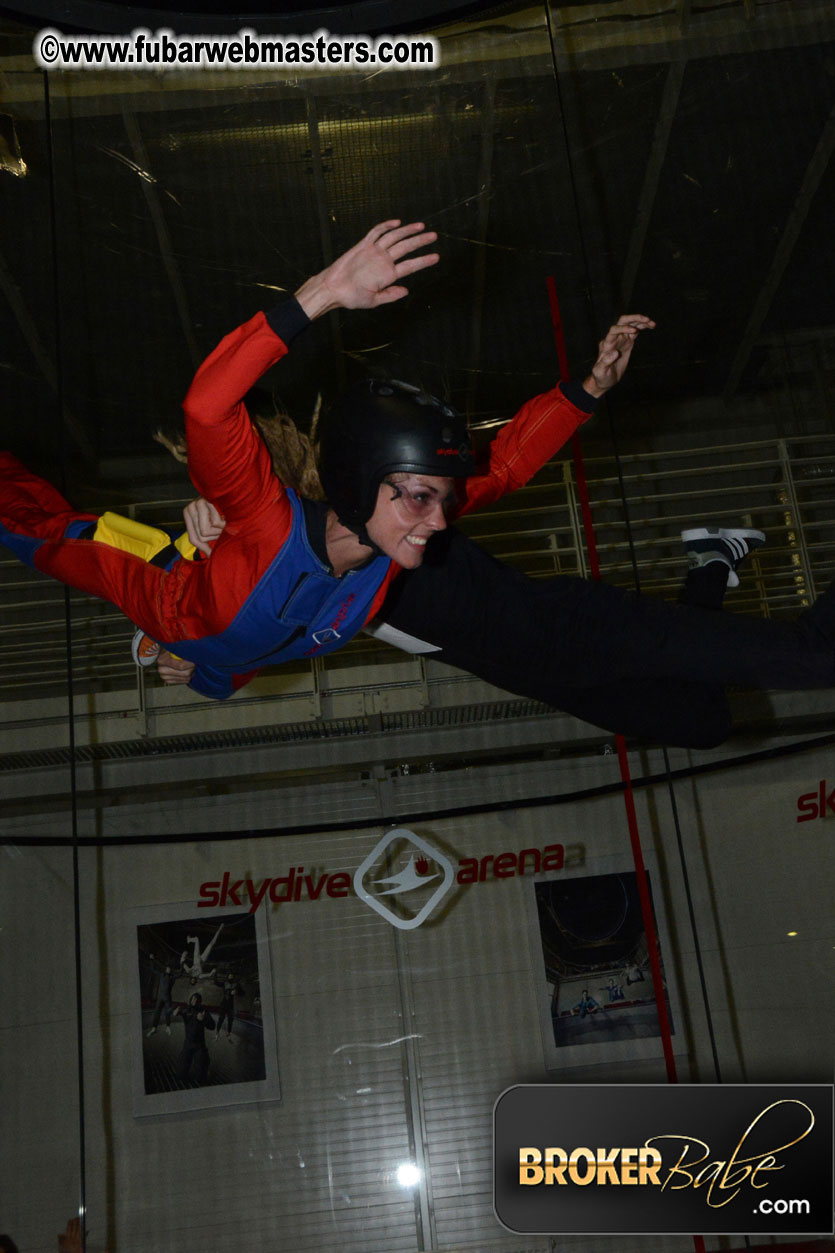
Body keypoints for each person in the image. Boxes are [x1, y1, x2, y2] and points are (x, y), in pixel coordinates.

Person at [0, 220, 647, 701]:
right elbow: (206, 410)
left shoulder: (388, 547)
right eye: (423, 497)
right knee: (34, 530)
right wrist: (319, 297)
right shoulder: (268, 521)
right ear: (365, 487)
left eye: (438, 500)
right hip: (163, 581)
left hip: (215, 646)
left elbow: (499, 469)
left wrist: (587, 390)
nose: (441, 520)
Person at [173, 991, 215, 1085]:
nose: (194, 1001)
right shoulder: (186, 1010)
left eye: (196, 999)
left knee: (201, 1076)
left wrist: (204, 1019)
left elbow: (212, 1026)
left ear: (199, 1001)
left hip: (199, 1045)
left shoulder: (203, 1011)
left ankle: (202, 1073)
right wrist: (175, 1012)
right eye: (193, 998)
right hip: (188, 1044)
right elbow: (177, 1012)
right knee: (180, 1074)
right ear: (190, 999)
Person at [144, 951, 182, 1036]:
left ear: (171, 969)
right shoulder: (161, 975)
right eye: (168, 968)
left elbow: (180, 974)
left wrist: (182, 963)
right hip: (160, 997)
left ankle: (168, 1027)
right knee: (157, 1012)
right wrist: (151, 960)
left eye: (170, 968)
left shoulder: (172, 977)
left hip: (167, 998)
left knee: (167, 1012)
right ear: (166, 968)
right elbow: (153, 969)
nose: (169, 969)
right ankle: (154, 1028)